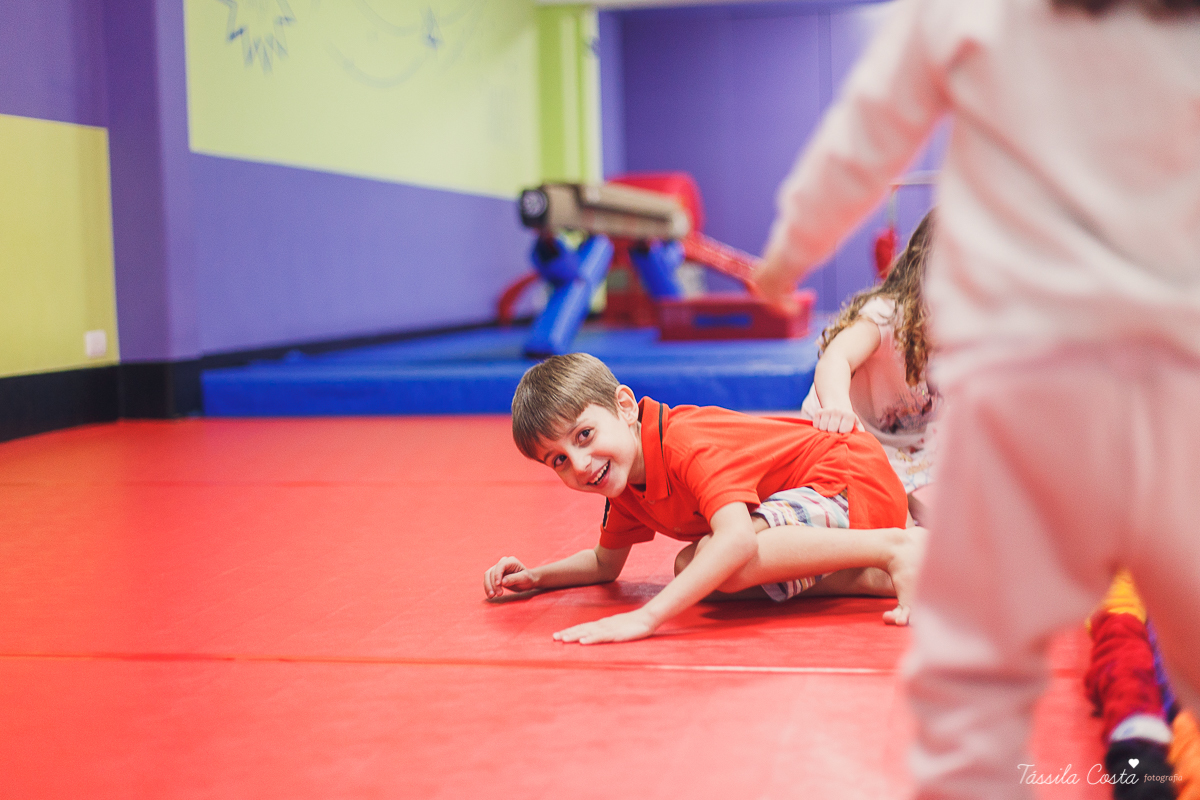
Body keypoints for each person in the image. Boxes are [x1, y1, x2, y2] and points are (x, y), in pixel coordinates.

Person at [753, 0, 1200, 797]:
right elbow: (839, 358)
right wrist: (826, 396)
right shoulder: (886, 316)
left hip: (912, 469)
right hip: (845, 449)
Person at [483, 353, 925, 644]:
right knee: (689, 568)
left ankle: (895, 546)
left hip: (846, 476)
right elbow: (604, 564)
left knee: (729, 563)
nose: (579, 464)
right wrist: (537, 577)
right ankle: (873, 575)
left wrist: (646, 618)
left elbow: (737, 542)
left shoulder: (682, 442)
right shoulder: (619, 479)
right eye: (558, 460)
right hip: (819, 503)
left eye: (584, 435)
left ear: (624, 406)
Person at [799, 211, 938, 521]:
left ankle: (907, 504)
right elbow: (837, 357)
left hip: (907, 443)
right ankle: (899, 508)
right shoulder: (889, 315)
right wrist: (837, 407)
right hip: (847, 428)